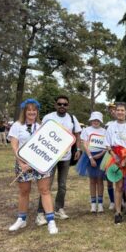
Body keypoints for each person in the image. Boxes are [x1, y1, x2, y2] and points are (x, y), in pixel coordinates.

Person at [8, 99, 58, 234]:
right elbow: (14, 146)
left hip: (41, 164)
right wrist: (21, 163)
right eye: (29, 110)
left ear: (37, 112)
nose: (31, 112)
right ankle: (21, 219)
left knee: (45, 190)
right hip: (22, 163)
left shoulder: (42, 126)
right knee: (24, 191)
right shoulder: (17, 126)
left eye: (34, 110)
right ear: (24, 111)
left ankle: (51, 221)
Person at [36, 95, 81, 225]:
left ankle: (58, 208)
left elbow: (77, 135)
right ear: (55, 105)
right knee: (46, 186)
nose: (62, 106)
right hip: (50, 157)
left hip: (65, 157)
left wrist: (77, 149)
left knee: (62, 186)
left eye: (65, 104)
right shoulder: (48, 118)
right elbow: (40, 135)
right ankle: (41, 212)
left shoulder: (72, 118)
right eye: (60, 104)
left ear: (68, 106)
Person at [76, 112, 107, 213]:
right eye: (94, 120)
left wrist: (101, 154)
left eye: (98, 120)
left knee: (100, 180)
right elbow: (85, 144)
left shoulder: (104, 131)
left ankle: (101, 204)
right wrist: (91, 157)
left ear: (100, 121)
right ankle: (93, 204)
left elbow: (107, 145)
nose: (96, 122)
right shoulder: (86, 130)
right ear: (91, 120)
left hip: (101, 157)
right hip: (89, 156)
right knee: (92, 180)